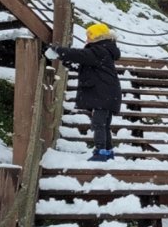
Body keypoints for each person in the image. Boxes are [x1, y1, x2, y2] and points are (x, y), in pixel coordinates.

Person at [47, 22, 121, 162]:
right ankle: (107, 151)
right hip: (107, 92)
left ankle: (100, 151)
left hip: (104, 93)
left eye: (89, 36)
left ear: (97, 37)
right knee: (103, 124)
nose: (86, 39)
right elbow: (85, 67)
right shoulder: (103, 51)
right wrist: (67, 60)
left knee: (99, 123)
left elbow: (79, 55)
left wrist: (58, 50)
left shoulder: (100, 50)